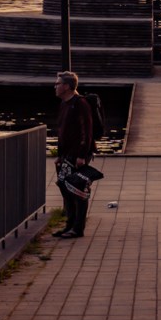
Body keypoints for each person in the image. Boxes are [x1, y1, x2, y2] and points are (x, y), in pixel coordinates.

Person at [52, 70, 94, 238]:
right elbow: (63, 132)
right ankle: (69, 225)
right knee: (65, 188)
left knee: (78, 191)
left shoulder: (80, 104)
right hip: (66, 156)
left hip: (77, 156)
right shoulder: (64, 104)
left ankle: (77, 228)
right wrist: (60, 156)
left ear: (67, 86)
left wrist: (82, 156)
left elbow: (87, 132)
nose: (55, 86)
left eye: (58, 83)